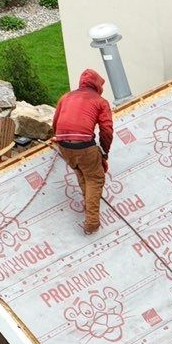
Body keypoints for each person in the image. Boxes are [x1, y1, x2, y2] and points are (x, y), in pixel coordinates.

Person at [50, 66, 114, 234]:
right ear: (97, 85)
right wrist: (105, 152)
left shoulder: (65, 97)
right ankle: (92, 222)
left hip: (64, 145)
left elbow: (55, 123)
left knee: (82, 173)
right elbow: (106, 130)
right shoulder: (100, 102)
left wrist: (58, 139)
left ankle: (88, 206)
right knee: (95, 178)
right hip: (83, 145)